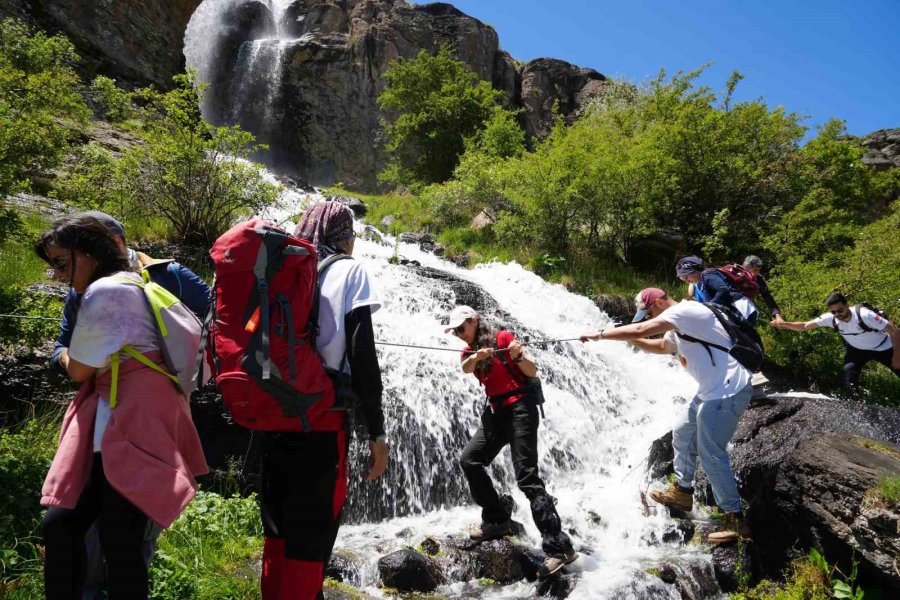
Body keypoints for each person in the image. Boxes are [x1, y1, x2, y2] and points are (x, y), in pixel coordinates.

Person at [35, 214, 208, 600]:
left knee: (96, 532)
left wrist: (62, 354)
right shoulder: (133, 283)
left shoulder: (105, 292)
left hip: (127, 423)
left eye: (63, 263)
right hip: (140, 418)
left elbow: (80, 369)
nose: (60, 276)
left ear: (89, 254)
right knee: (108, 534)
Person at [254, 201, 388, 599]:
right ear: (345, 236)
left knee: (276, 533)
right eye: (352, 237)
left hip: (273, 416)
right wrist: (376, 432)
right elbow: (363, 356)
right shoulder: (350, 270)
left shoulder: (280, 271)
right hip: (322, 421)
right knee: (311, 536)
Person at [581, 288, 753, 544]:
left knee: (710, 452)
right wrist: (629, 340)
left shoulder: (686, 310)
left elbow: (641, 330)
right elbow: (663, 346)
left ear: (660, 301)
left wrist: (602, 335)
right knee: (683, 429)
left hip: (727, 390)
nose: (649, 317)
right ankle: (683, 492)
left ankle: (735, 518)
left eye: (650, 311)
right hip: (710, 391)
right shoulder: (681, 323)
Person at [449, 305, 578, 577]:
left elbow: (532, 371)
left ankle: (558, 548)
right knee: (469, 460)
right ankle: (497, 519)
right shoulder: (468, 352)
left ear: (475, 321)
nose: (459, 334)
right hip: (495, 412)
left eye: (462, 328)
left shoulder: (504, 338)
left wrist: (518, 356)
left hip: (521, 409)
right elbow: (465, 367)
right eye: (455, 331)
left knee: (527, 478)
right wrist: (477, 356)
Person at [772, 292, 900, 395]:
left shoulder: (865, 315)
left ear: (847, 305)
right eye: (833, 312)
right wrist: (784, 324)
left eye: (840, 310)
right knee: (848, 375)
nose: (837, 314)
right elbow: (805, 325)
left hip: (883, 347)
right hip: (858, 350)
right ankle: (857, 405)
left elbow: (894, 331)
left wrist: (897, 355)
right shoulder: (831, 319)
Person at [676, 255, 759, 325]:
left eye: (686, 276)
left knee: (743, 339)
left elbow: (723, 289)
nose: (686, 280)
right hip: (737, 309)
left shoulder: (707, 274)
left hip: (740, 308)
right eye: (683, 279)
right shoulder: (702, 281)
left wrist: (709, 306)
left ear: (694, 271)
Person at [742, 255, 784, 325]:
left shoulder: (758, 279)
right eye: (755, 270)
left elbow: (767, 297)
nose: (757, 273)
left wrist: (777, 315)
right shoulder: (736, 274)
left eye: (758, 270)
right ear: (746, 267)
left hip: (747, 309)